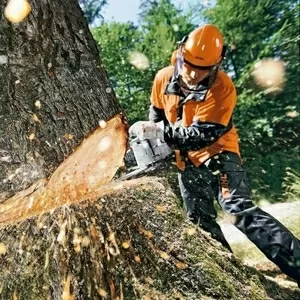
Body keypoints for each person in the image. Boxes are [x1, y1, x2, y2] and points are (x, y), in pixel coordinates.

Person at [129, 24, 300, 283]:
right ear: (181, 53)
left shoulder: (222, 87)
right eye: (187, 64)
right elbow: (157, 113)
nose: (191, 74)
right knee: (200, 221)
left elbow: (201, 136)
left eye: (201, 70)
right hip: (185, 162)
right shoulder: (163, 78)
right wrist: (152, 135)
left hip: (219, 155)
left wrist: (160, 132)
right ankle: (233, 281)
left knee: (238, 210)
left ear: (215, 65)